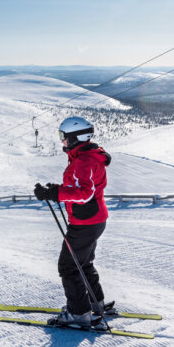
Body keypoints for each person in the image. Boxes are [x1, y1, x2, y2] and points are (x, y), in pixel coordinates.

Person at [34, 116, 111, 328]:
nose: (62, 141)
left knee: (68, 266)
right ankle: (96, 304)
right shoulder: (87, 156)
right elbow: (79, 186)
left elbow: (85, 193)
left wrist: (56, 193)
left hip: (85, 222)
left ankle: (79, 314)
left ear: (76, 137)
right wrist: (54, 190)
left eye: (64, 136)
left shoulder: (83, 160)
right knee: (82, 263)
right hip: (94, 219)